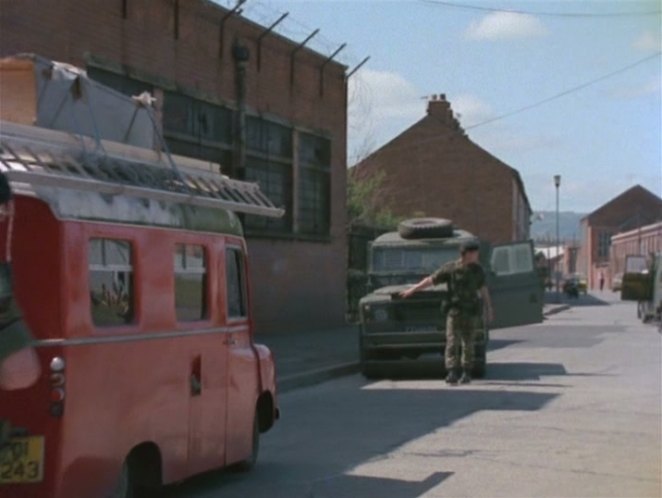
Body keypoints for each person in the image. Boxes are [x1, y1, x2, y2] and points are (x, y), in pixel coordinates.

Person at [400, 240, 493, 385]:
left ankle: (466, 372)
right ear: (467, 254)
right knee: (451, 342)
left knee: (468, 343)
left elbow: (483, 289)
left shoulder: (477, 270)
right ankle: (452, 372)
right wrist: (412, 289)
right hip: (454, 311)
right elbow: (431, 280)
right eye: (475, 253)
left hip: (471, 312)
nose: (477, 255)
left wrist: (489, 308)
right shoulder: (450, 268)